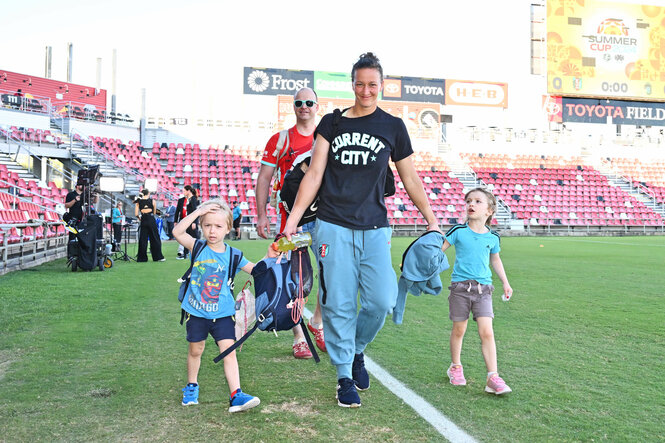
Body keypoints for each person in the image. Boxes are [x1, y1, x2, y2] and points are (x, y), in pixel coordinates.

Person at [282, 53, 439, 407]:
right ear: (352, 85)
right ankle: (343, 376)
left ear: (381, 86)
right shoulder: (331, 124)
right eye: (360, 83)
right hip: (332, 225)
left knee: (381, 300)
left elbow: (409, 177)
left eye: (372, 84)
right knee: (337, 303)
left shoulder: (393, 126)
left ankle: (356, 350)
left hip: (374, 227)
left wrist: (431, 219)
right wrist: (292, 221)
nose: (366, 90)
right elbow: (314, 174)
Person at [174, 199, 277, 411]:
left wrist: (269, 257)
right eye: (207, 225)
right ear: (201, 226)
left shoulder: (234, 255)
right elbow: (177, 231)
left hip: (223, 314)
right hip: (197, 313)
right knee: (196, 350)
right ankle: (192, 386)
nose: (212, 231)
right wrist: (198, 212)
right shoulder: (197, 246)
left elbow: (256, 270)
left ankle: (236, 395)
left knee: (229, 352)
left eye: (218, 226)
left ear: (228, 228)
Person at [255, 87, 325, 359]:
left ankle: (316, 322)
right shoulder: (280, 139)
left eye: (309, 102)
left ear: (317, 106)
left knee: (330, 274)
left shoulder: (327, 137)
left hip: (323, 219)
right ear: (293, 107)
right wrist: (262, 214)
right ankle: (299, 337)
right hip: (291, 223)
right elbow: (264, 177)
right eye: (299, 103)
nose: (304, 106)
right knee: (294, 280)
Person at [441, 188, 513, 395]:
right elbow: (438, 251)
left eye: (478, 201)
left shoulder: (493, 237)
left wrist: (506, 283)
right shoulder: (457, 231)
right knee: (459, 330)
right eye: (469, 201)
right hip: (460, 289)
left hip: (484, 290)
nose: (471, 204)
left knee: (487, 332)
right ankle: (455, 367)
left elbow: (495, 260)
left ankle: (493, 377)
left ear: (489, 211)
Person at [134, 189, 165, 262]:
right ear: (148, 193)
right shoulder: (153, 201)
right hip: (151, 219)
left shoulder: (138, 202)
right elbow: (154, 212)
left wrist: (140, 218)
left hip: (143, 220)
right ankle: (158, 257)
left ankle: (142, 258)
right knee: (155, 238)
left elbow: (136, 214)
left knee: (143, 239)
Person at [175, 185, 199, 259]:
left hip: (191, 222)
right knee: (186, 237)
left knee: (195, 237)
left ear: (188, 191)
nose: (183, 192)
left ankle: (199, 252)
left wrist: (194, 222)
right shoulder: (189, 199)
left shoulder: (193, 199)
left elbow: (196, 211)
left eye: (184, 191)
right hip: (188, 222)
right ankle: (185, 254)